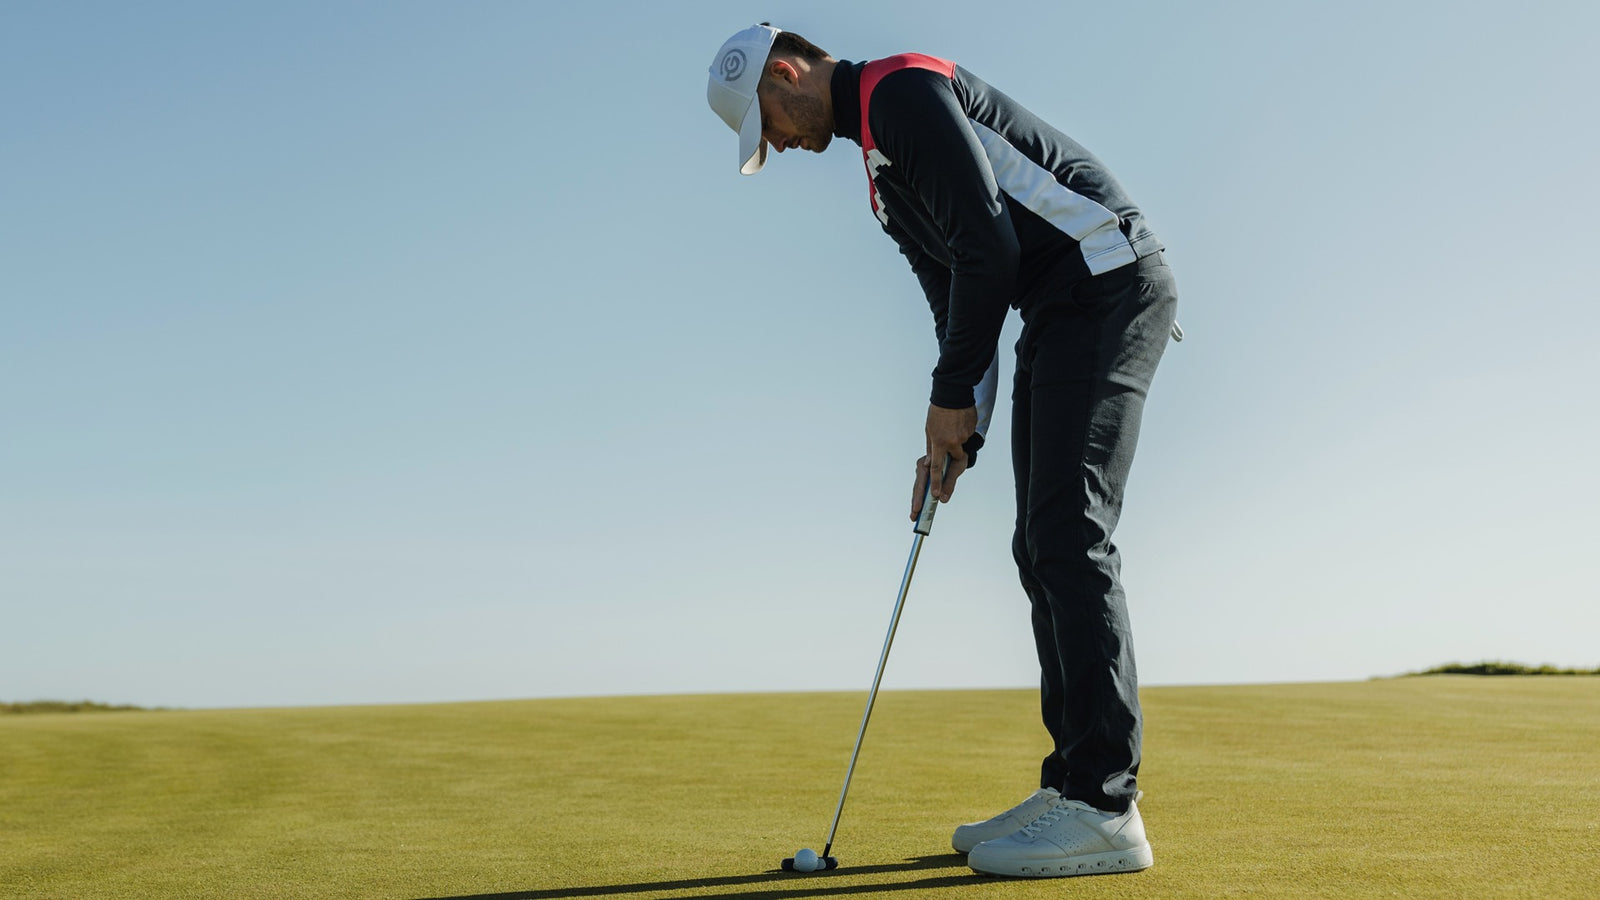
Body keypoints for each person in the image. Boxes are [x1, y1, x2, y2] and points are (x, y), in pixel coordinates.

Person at [706, 23, 1179, 879]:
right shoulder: (882, 185)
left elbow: (991, 249)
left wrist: (951, 399)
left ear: (786, 72)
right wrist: (953, 437)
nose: (777, 143)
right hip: (1057, 309)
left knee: (1070, 534)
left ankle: (1107, 806)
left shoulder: (902, 92)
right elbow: (962, 305)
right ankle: (1073, 782)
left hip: (1108, 281)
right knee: (1037, 544)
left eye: (768, 123)